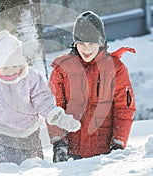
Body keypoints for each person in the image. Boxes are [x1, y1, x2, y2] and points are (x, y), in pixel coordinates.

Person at [0, 30, 81, 169]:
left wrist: (59, 118)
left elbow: (43, 101)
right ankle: (0, 166)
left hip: (29, 131)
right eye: (5, 68)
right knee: (5, 165)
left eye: (14, 66)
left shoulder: (31, 78)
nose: (10, 71)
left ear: (21, 63)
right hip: (1, 132)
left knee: (33, 164)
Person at [47, 11, 136, 162]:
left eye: (91, 43)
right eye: (81, 43)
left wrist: (118, 143)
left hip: (104, 154)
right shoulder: (62, 68)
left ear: (101, 42)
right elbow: (54, 108)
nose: (86, 49)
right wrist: (59, 143)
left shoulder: (115, 68)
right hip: (71, 153)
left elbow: (124, 109)